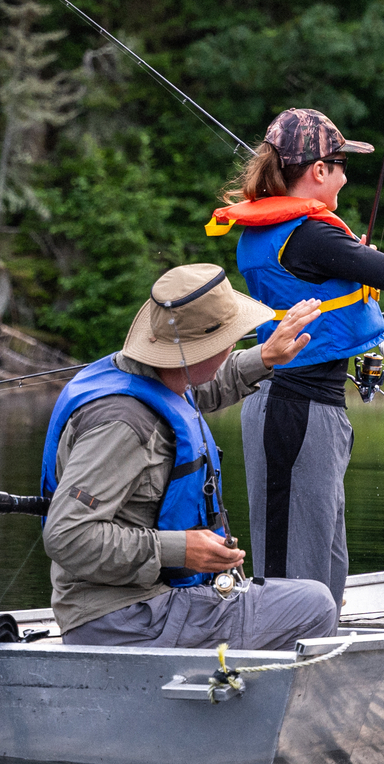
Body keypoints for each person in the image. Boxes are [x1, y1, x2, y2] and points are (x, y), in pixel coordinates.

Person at [206, 109, 384, 609]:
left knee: (327, 571)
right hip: (294, 407)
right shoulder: (310, 234)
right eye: (341, 164)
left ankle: (319, 670)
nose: (347, 176)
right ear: (318, 170)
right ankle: (276, 672)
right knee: (292, 583)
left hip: (315, 408)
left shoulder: (298, 232)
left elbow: (334, 295)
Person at [39, 263, 338, 649]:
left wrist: (264, 357)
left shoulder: (152, 376)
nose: (234, 345)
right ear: (205, 349)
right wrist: (183, 549)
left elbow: (200, 390)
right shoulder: (122, 425)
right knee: (313, 605)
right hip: (126, 617)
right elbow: (66, 536)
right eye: (232, 339)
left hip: (141, 605)